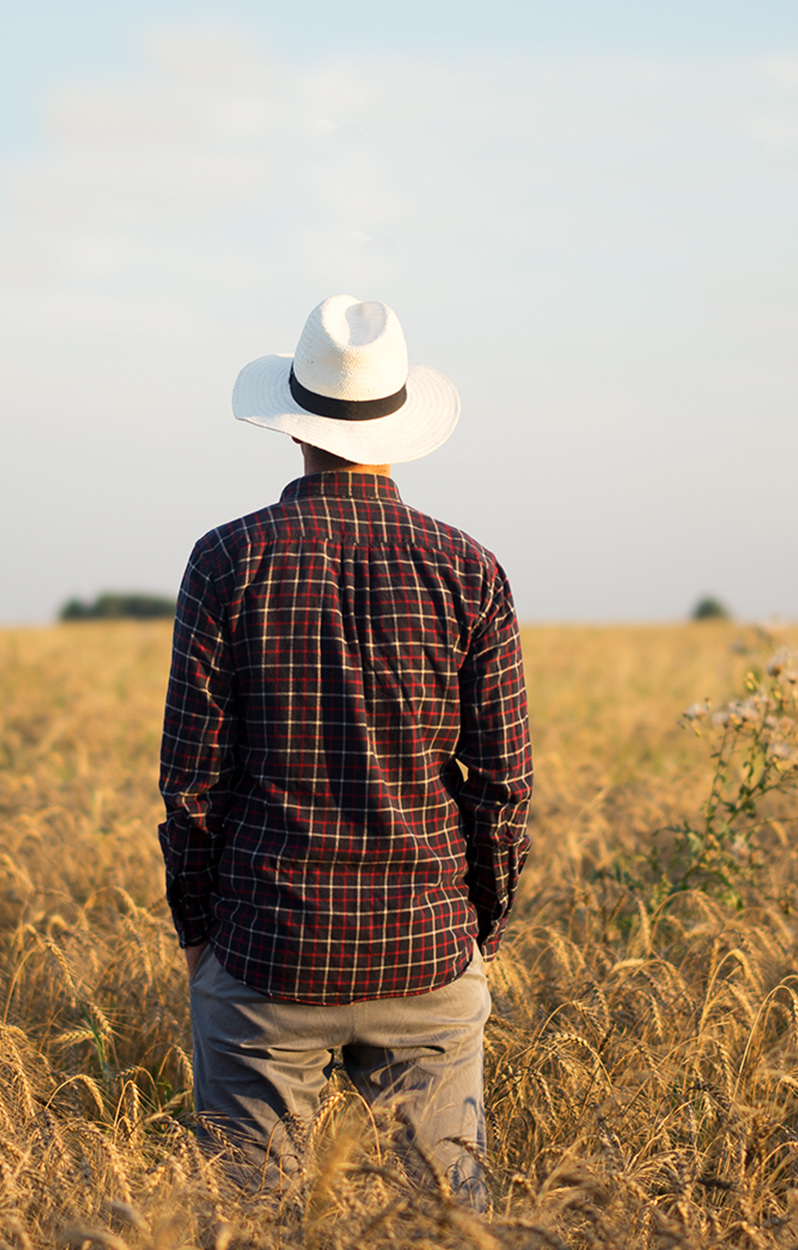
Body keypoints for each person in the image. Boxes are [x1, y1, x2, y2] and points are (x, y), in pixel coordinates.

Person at [157, 294, 534, 1208]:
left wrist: (203, 940)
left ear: (293, 428)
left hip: (266, 953)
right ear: (400, 424)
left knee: (247, 1223)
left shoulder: (226, 561)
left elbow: (192, 786)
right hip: (427, 950)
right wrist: (474, 930)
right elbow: (504, 790)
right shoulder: (468, 569)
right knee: (449, 1224)